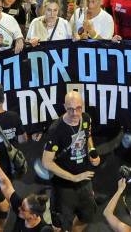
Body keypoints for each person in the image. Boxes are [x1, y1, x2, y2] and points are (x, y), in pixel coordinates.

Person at [42, 91, 101, 232]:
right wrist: (73, 178)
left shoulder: (86, 119)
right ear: (64, 107)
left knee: (87, 216)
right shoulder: (56, 129)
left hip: (84, 180)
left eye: (78, 108)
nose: (75, 113)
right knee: (60, 226)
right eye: (70, 109)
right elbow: (46, 162)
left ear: (83, 106)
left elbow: (88, 136)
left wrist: (93, 152)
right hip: (63, 186)